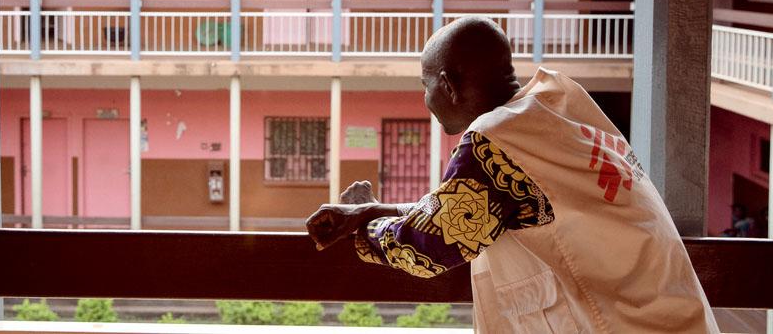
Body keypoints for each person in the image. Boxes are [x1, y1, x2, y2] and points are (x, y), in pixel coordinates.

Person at [306, 17, 717, 333]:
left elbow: (430, 245)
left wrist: (363, 223)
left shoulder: (495, 138)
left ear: (447, 86)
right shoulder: (556, 106)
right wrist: (377, 209)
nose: (424, 98)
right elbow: (475, 207)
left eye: (426, 85)